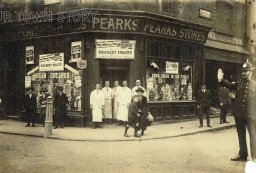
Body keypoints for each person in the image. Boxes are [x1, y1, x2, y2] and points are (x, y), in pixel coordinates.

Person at [218, 61, 256, 162]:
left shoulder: (255, 84)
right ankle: (243, 154)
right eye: (242, 71)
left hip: (251, 115)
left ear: (251, 72)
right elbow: (229, 85)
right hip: (239, 115)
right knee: (241, 135)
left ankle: (254, 157)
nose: (243, 73)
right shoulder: (239, 83)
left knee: (253, 136)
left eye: (246, 71)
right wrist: (221, 80)